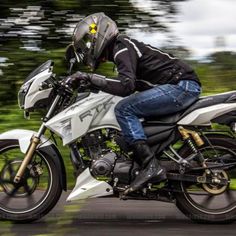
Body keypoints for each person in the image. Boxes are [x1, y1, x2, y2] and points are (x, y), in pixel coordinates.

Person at [65, 12, 201, 195]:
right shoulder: (122, 50)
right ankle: (140, 163)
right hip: (178, 86)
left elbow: (125, 86)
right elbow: (127, 83)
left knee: (124, 108)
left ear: (100, 36)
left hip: (181, 87)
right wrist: (90, 81)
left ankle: (151, 166)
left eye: (89, 42)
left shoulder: (121, 47)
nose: (88, 48)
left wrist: (90, 78)